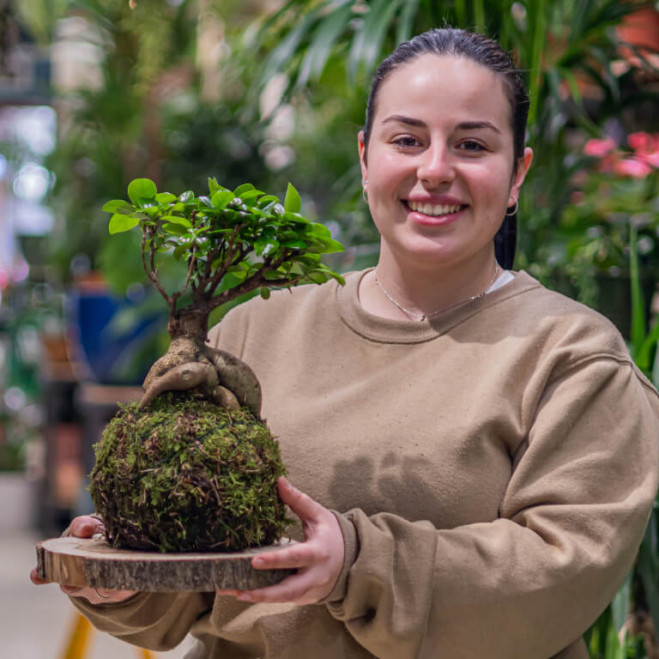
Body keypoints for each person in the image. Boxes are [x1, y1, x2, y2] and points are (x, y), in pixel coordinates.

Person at [31, 27, 659, 659]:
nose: (434, 169)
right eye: (407, 140)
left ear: (517, 172)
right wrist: (125, 583)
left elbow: (562, 571)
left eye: (471, 144)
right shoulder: (255, 328)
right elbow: (196, 582)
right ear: (365, 159)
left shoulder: (572, 356)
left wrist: (355, 563)